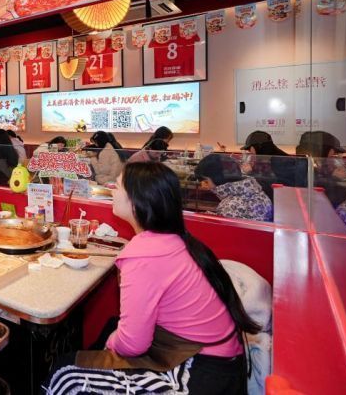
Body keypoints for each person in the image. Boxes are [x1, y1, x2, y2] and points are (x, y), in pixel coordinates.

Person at [44, 162, 259, 394]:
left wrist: (109, 347)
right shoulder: (176, 238)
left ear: (137, 201)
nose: (112, 190)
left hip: (201, 372)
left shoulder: (143, 254)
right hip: (223, 359)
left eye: (117, 186)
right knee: (110, 326)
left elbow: (132, 344)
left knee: (65, 373)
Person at [195, 154, 273, 222]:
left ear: (218, 178)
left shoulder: (230, 206)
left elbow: (225, 231)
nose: (207, 186)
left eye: (206, 182)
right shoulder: (255, 190)